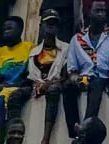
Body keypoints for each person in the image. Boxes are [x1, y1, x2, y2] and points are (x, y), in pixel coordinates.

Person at [63, 4, 109, 126]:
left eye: (103, 11)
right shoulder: (77, 38)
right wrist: (76, 79)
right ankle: (74, 131)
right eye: (97, 10)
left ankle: (86, 128)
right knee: (67, 87)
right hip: (85, 78)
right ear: (89, 13)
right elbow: (72, 69)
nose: (101, 14)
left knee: (96, 83)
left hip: (104, 78)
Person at [30, 9, 71, 144]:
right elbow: (30, 76)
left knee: (53, 90)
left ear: (58, 27)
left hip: (54, 85)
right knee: (14, 96)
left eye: (54, 23)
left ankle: (46, 139)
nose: (50, 26)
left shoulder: (66, 48)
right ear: (41, 26)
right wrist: (38, 85)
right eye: (47, 23)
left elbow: (65, 75)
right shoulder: (33, 52)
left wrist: (48, 84)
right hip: (36, 86)